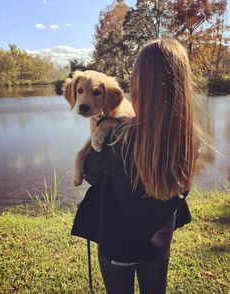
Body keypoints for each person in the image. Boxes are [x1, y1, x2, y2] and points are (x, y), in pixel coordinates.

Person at [71, 38, 200, 294]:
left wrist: (104, 125)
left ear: (137, 86)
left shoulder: (117, 138)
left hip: (119, 244)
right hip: (158, 242)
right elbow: (183, 186)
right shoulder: (188, 139)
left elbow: (90, 172)